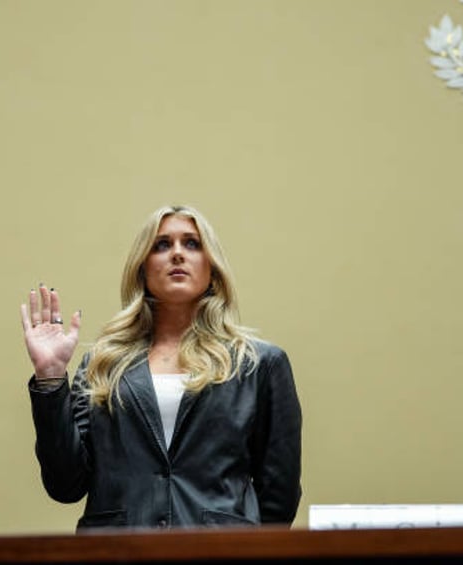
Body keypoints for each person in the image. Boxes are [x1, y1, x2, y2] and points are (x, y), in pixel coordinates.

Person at [21, 205, 302, 530]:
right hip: (117, 554)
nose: (178, 254)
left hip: (222, 557)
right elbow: (65, 485)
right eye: (162, 245)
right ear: (142, 268)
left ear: (212, 267)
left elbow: (278, 497)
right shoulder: (102, 364)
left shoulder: (259, 365)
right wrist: (51, 376)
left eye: (192, 244)